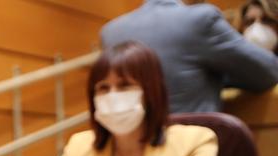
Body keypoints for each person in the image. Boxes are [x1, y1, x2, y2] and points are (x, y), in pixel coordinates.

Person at [45, 41, 217, 156]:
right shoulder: (78, 147)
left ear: (151, 91)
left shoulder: (194, 142)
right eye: (103, 88)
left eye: (125, 85)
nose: (112, 96)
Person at [102, 0, 278, 113]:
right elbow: (268, 72)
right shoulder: (201, 18)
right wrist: (218, 73)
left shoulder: (110, 32)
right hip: (192, 149)